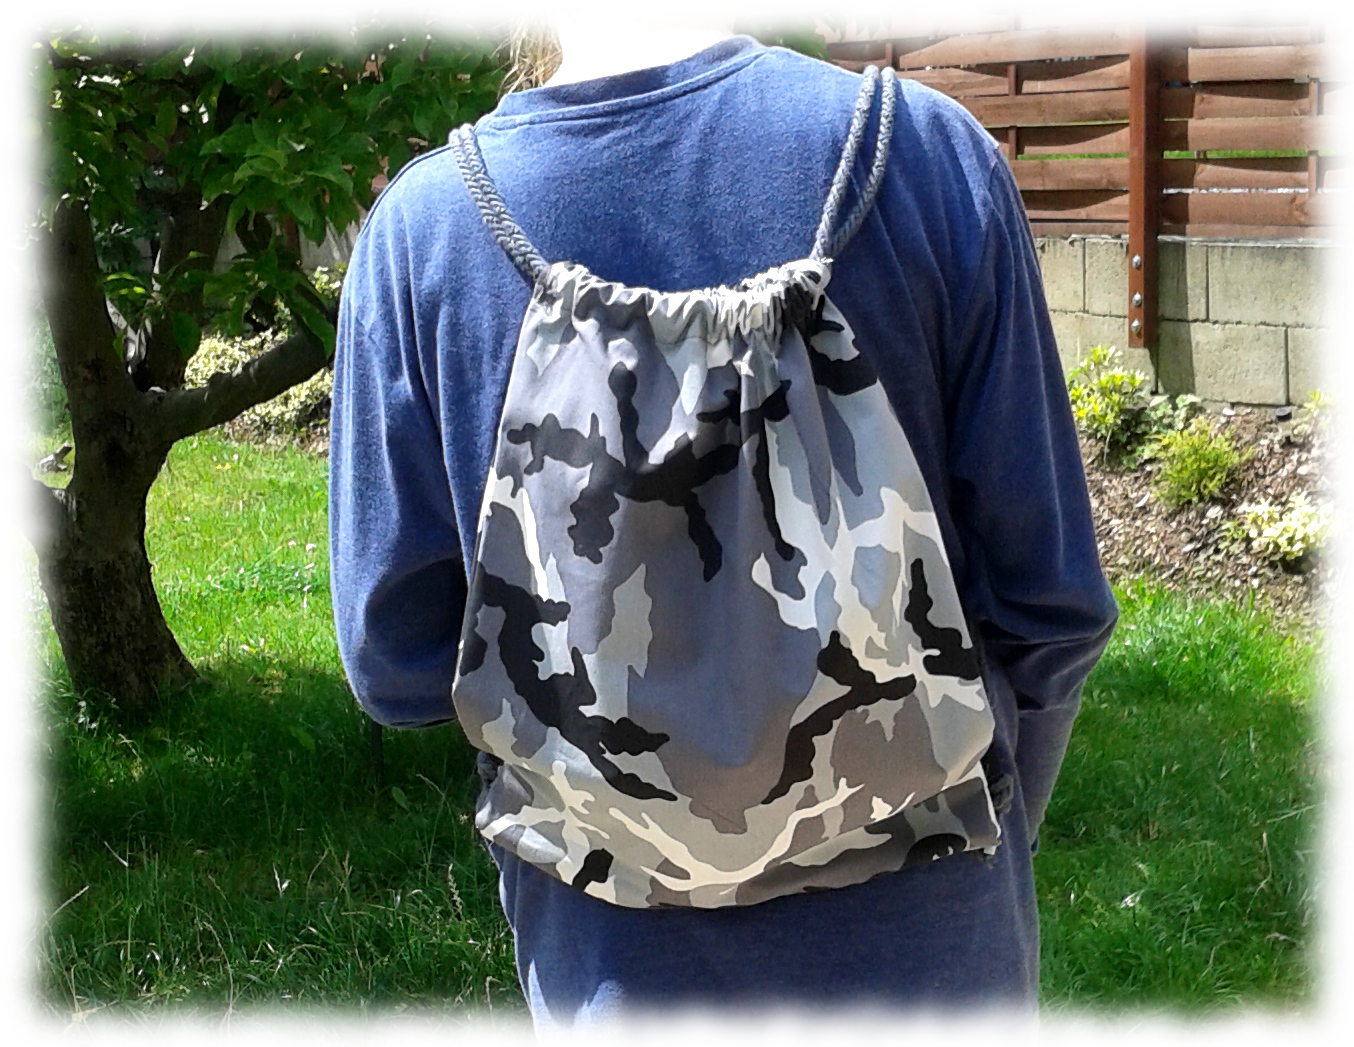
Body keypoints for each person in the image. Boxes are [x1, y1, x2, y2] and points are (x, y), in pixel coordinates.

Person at [329, 21, 1117, 1027]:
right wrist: (991, 807)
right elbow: (1053, 606)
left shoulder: (426, 232)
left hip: (609, 970)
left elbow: (395, 663)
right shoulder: (923, 155)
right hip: (940, 955)